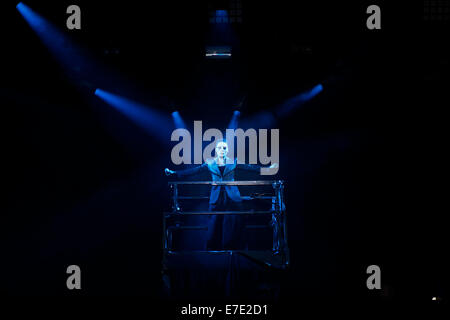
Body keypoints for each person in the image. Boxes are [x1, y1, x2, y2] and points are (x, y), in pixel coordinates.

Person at [165, 139, 278, 250]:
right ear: (216, 150)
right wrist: (175, 173)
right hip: (216, 197)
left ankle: (232, 249)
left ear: (227, 150)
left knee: (233, 223)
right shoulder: (210, 163)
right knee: (214, 223)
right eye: (219, 148)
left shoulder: (233, 161)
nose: (222, 150)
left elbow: (251, 168)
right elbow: (194, 171)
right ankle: (213, 249)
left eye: (224, 148)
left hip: (232, 196)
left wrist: (268, 170)